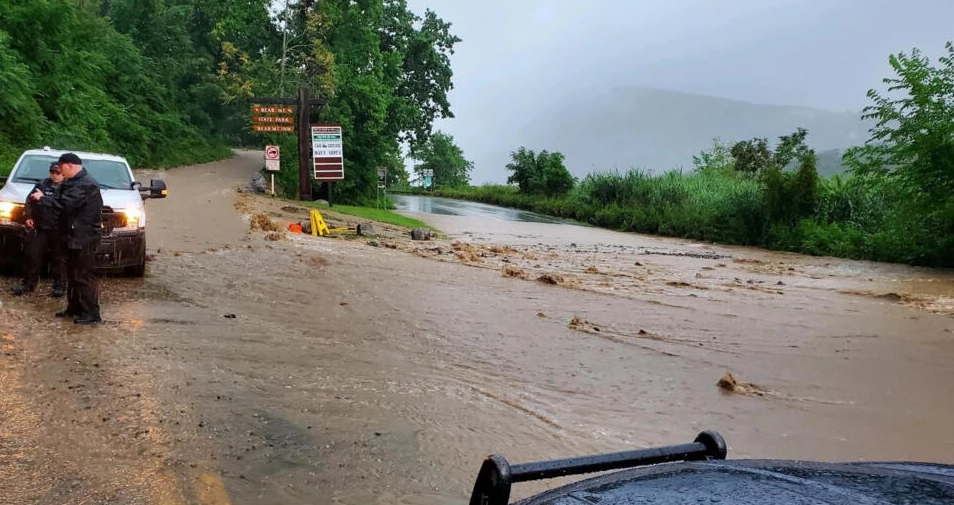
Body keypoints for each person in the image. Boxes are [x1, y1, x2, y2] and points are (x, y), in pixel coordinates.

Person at [30, 152, 103, 325]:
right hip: (71, 236)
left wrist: (43, 199)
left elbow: (63, 204)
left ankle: (91, 312)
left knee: (83, 276)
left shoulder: (86, 184)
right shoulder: (73, 182)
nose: (59, 172)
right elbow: (59, 200)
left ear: (69, 166)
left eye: (61, 168)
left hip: (84, 237)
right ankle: (74, 308)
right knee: (72, 274)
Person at [11, 162, 67, 297]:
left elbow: (65, 205)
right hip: (40, 227)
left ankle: (59, 286)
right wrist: (28, 216)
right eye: (52, 172)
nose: (54, 175)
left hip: (58, 228)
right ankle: (27, 284)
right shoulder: (42, 184)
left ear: (63, 174)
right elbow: (30, 201)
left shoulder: (68, 188)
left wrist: (45, 198)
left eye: (57, 173)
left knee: (59, 259)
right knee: (32, 256)